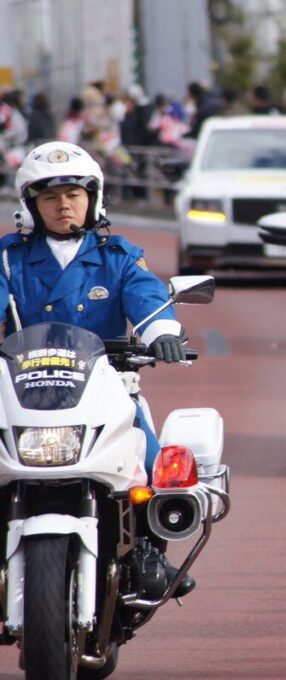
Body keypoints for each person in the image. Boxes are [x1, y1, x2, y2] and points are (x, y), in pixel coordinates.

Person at [4, 141, 194, 595]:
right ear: (31, 205)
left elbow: (147, 296)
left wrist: (162, 331)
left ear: (93, 199)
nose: (63, 206)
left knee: (151, 463)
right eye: (50, 197)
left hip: (106, 386)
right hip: (20, 385)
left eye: (74, 195)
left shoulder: (118, 255)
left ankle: (149, 552)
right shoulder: (8, 258)